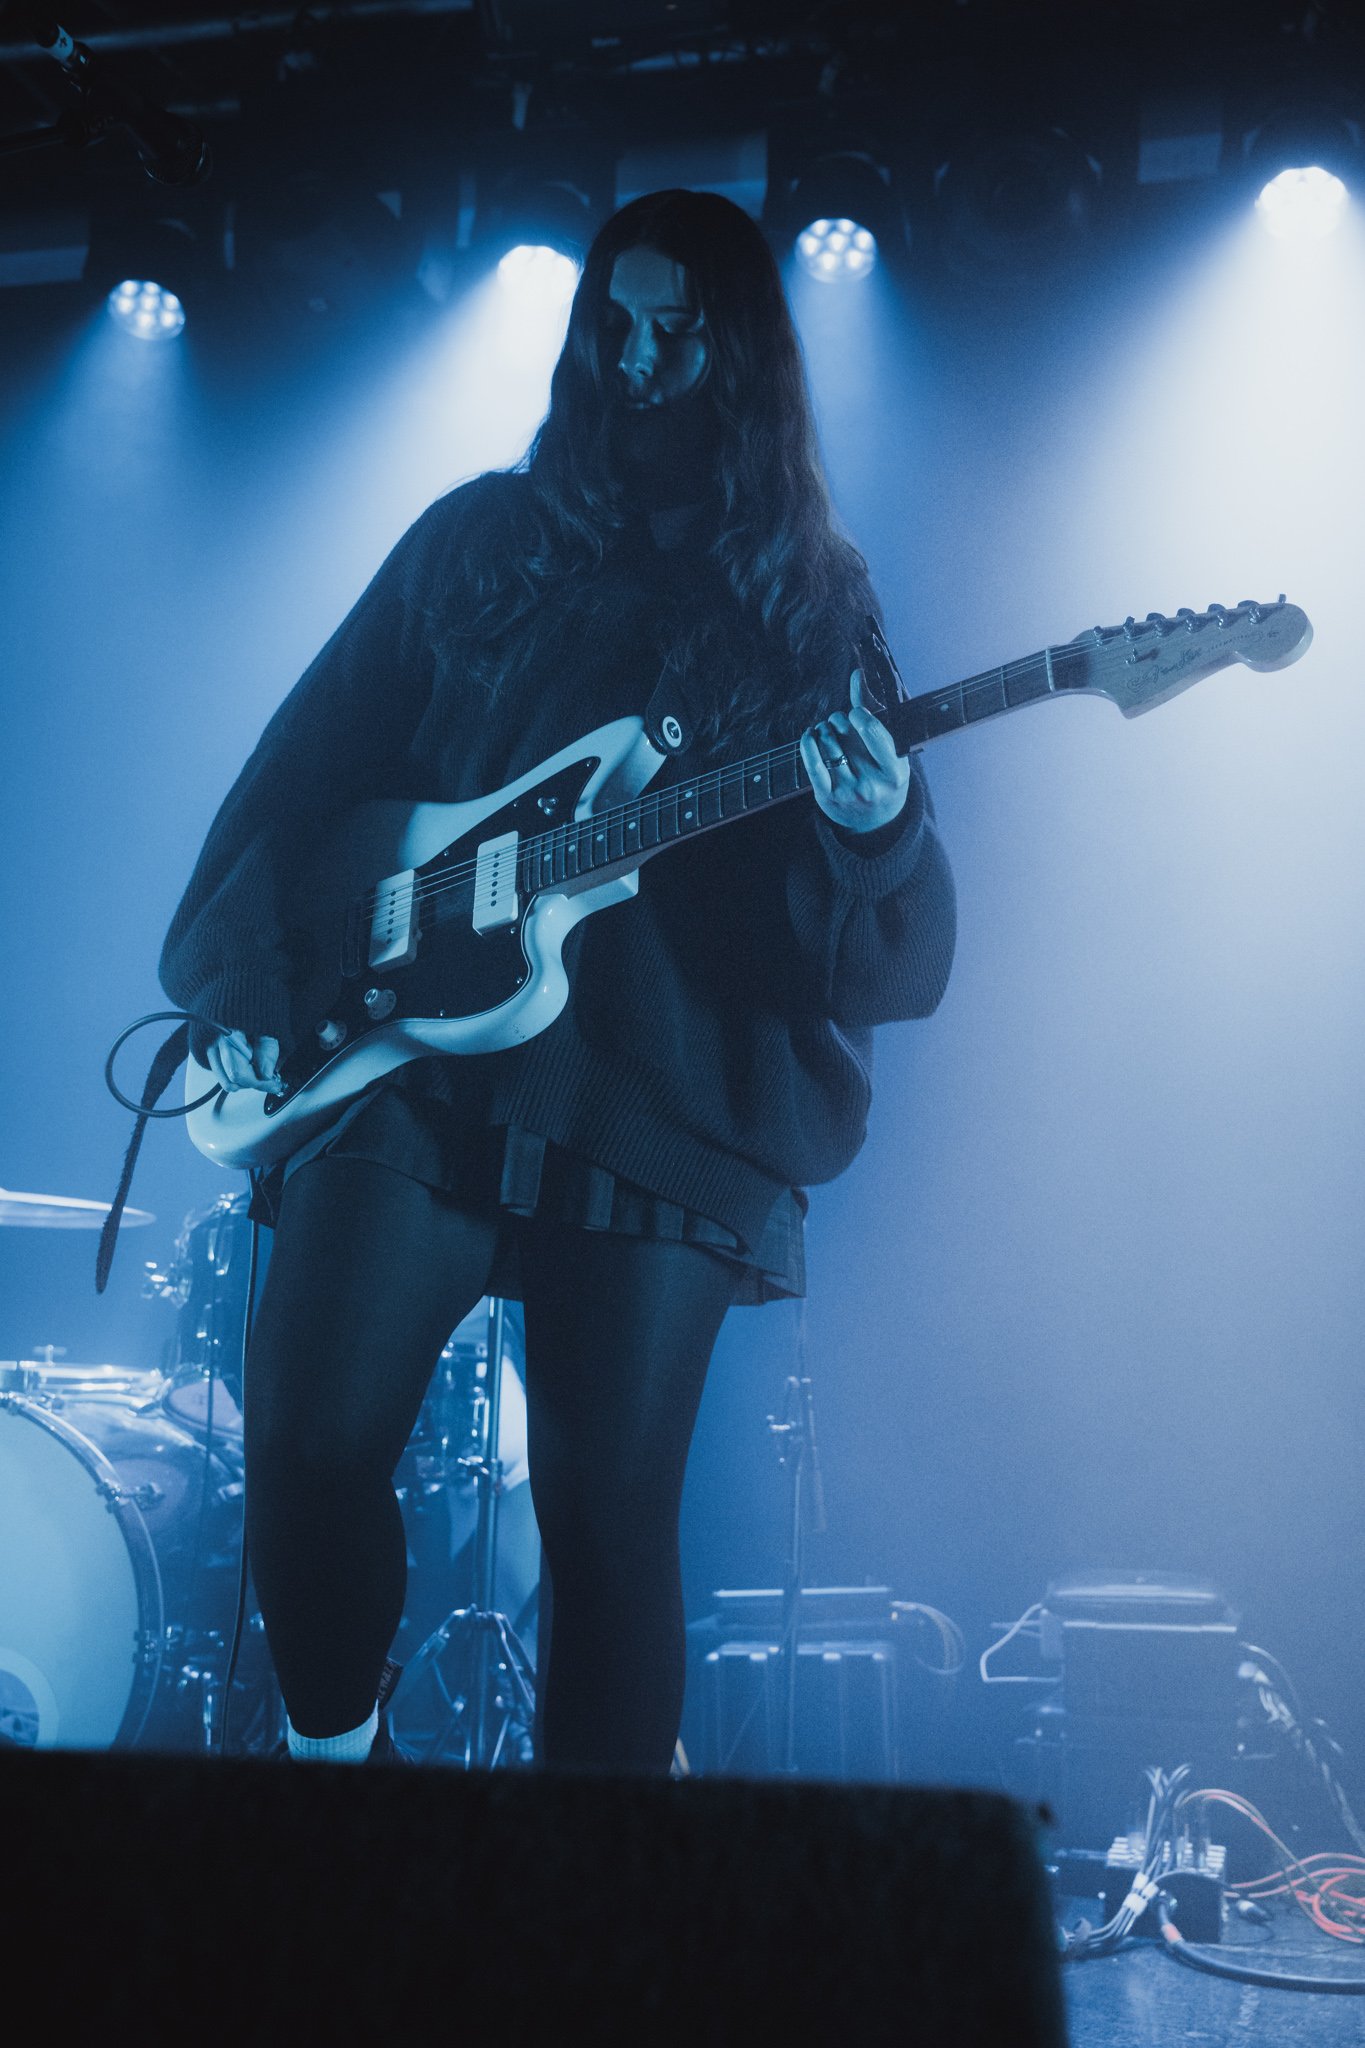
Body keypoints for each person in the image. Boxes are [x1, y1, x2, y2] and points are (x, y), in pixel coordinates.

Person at [159, 188, 956, 1771]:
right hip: (414, 1069)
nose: (637, 361)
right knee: (307, 1448)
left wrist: (876, 829)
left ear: (743, 352)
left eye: (677, 331)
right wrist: (248, 975)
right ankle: (342, 1782)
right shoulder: (480, 540)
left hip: (657, 1094)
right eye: (616, 324)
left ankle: (586, 1895)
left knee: (606, 1524)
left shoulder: (807, 601)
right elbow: (302, 770)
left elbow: (862, 949)